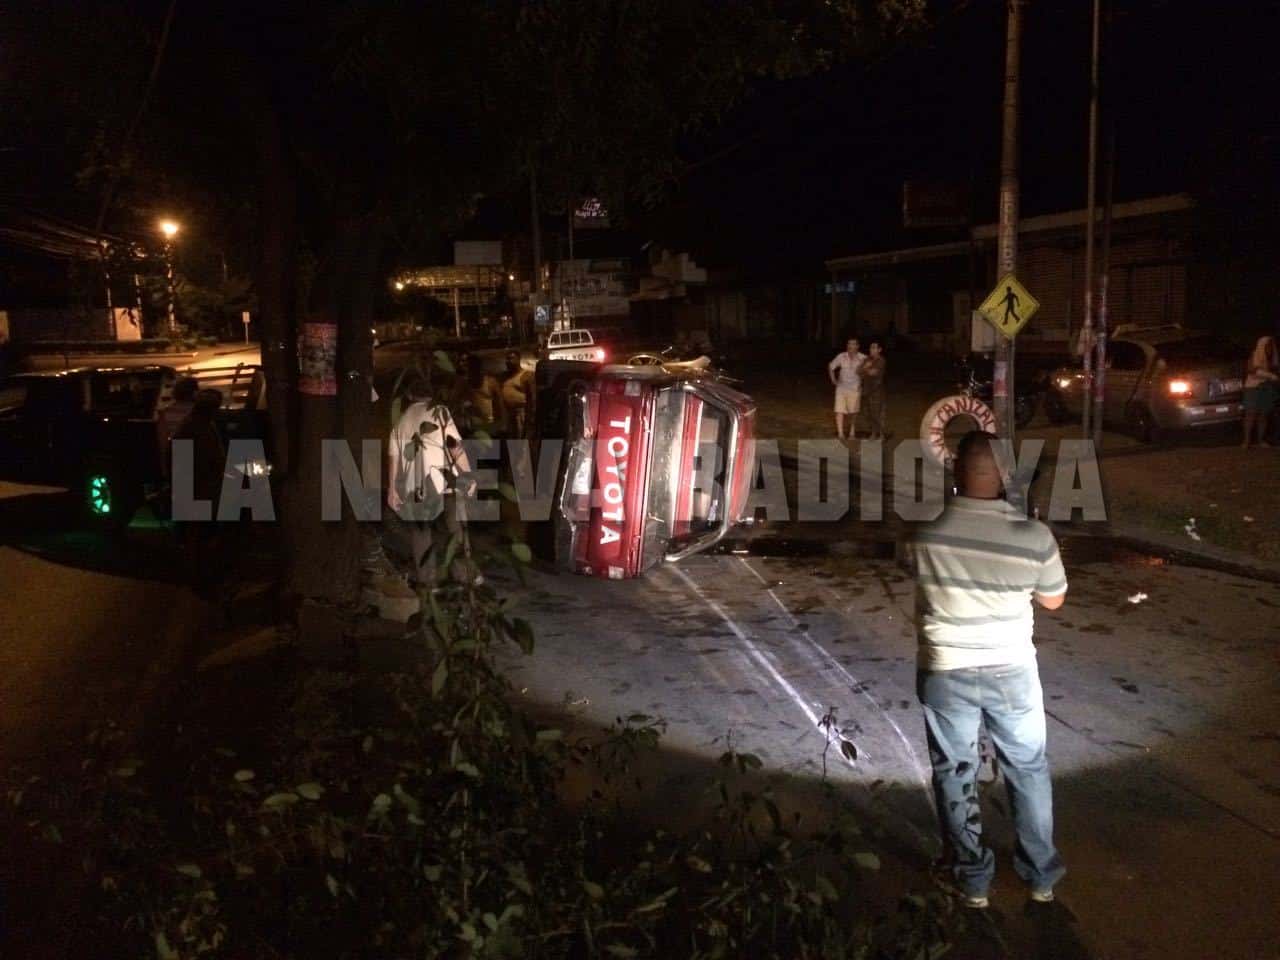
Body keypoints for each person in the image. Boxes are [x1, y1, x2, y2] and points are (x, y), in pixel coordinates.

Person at [909, 431, 1067, 909]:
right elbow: (1054, 600)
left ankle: (973, 879)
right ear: (1006, 476)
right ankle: (1041, 877)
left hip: (945, 668)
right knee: (1028, 769)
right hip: (1011, 670)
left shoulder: (925, 533)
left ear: (954, 473)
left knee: (955, 771)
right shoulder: (1034, 536)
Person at [386, 375, 476, 588]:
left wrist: (392, 489)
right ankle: (465, 576)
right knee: (455, 530)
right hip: (445, 482)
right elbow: (454, 445)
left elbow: (394, 457)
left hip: (417, 487)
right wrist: (468, 474)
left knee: (421, 533)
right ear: (431, 395)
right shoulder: (440, 412)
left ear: (409, 396)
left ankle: (429, 581)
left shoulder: (402, 420)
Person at [157, 377, 198, 478]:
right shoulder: (198, 412)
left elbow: (163, 442)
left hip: (178, 452)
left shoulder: (166, 413)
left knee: (182, 489)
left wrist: (164, 466)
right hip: (199, 452)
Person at [1242, 335, 1277, 448]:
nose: (1270, 348)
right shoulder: (1255, 355)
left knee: (1263, 415)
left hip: (1266, 388)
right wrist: (1270, 376)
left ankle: (1261, 440)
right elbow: (1252, 370)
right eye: (1267, 346)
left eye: (1271, 346)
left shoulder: (1272, 358)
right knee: (1251, 414)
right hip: (1253, 388)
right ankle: (1247, 441)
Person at [827, 337, 866, 440]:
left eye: (853, 344)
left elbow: (869, 371)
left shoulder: (863, 358)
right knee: (839, 410)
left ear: (858, 346)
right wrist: (833, 380)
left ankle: (852, 432)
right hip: (841, 388)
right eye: (849, 344)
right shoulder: (841, 356)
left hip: (855, 389)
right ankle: (840, 434)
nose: (850, 346)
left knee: (853, 412)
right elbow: (831, 366)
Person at [460, 353, 505, 436]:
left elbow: (499, 405)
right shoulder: (464, 383)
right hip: (471, 426)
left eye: (471, 367)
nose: (469, 370)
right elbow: (457, 402)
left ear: (478, 367)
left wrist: (500, 424)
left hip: (489, 425)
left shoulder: (491, 382)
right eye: (467, 367)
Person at [500, 350, 533, 438]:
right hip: (510, 414)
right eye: (507, 359)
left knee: (522, 443)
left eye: (511, 358)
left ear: (518, 359)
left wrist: (529, 419)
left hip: (522, 414)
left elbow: (533, 398)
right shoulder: (505, 377)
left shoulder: (526, 375)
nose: (508, 361)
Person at [860, 340, 887, 440]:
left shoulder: (881, 360)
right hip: (867, 390)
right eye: (871, 347)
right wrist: (866, 369)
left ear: (880, 350)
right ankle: (873, 432)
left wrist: (865, 368)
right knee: (868, 413)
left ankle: (881, 434)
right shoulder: (867, 359)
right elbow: (859, 372)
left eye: (874, 348)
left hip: (877, 391)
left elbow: (873, 373)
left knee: (877, 414)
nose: (872, 349)